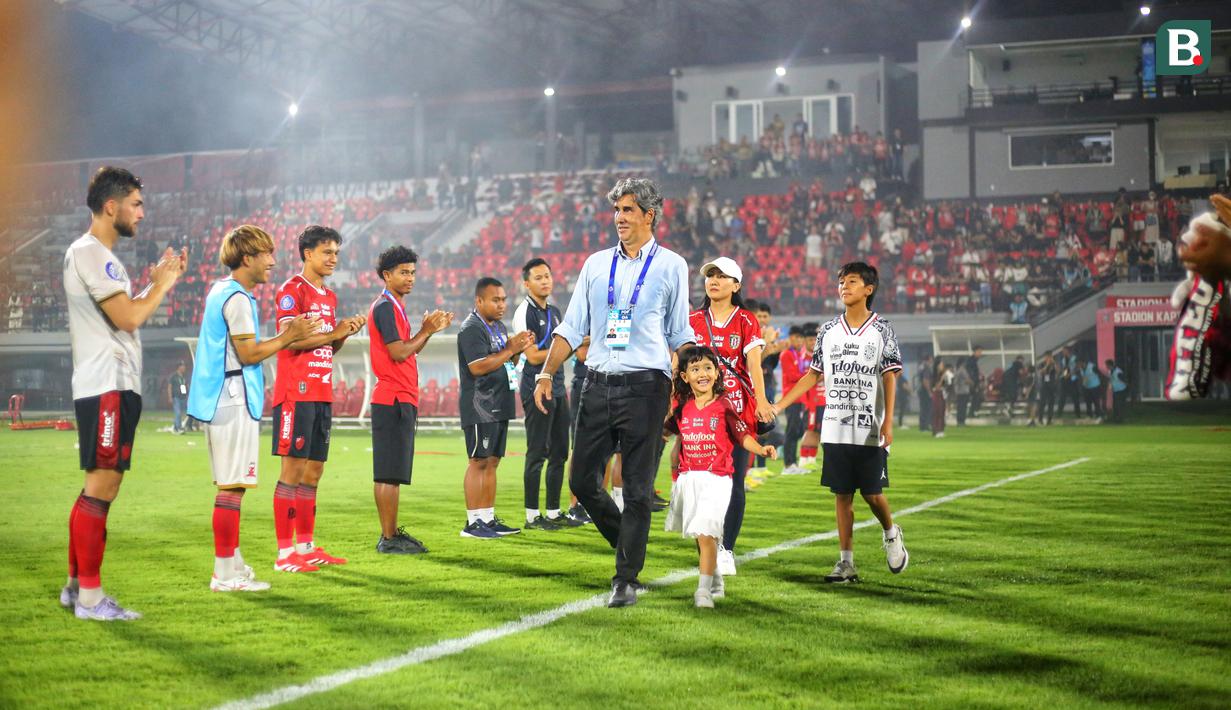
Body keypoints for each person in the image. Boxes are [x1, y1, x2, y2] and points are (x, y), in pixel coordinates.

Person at [533, 177, 694, 608]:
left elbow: (680, 332)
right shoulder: (595, 264)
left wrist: (695, 371)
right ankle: (628, 542)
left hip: (647, 388)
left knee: (639, 489)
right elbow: (571, 329)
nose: (619, 218)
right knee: (582, 480)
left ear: (649, 215)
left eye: (627, 210)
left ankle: (625, 577)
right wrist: (546, 373)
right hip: (597, 384)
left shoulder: (672, 265)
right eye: (616, 210)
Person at [61, 166, 186, 620]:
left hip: (112, 384)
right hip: (105, 385)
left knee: (97, 486)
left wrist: (153, 283)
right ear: (111, 206)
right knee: (102, 485)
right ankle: (91, 600)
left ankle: (77, 587)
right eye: (136, 204)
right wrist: (162, 284)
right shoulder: (90, 253)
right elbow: (128, 318)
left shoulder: (101, 256)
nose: (142, 213)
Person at [189, 225, 320, 591]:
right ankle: (224, 573)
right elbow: (247, 353)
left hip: (222, 397)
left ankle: (232, 561)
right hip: (231, 397)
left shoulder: (221, 290)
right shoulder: (238, 299)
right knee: (232, 488)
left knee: (232, 487)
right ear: (247, 258)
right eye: (266, 254)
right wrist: (289, 336)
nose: (273, 262)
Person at [772, 262, 907, 583]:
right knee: (842, 495)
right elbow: (812, 375)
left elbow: (890, 377)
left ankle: (891, 532)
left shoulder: (882, 329)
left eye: (852, 281)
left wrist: (888, 421)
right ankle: (846, 562)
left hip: (870, 426)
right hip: (835, 425)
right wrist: (779, 404)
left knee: (873, 494)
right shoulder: (829, 330)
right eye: (841, 282)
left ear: (868, 289)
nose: (844, 287)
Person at [271, 226, 366, 573]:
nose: (333, 259)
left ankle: (306, 547)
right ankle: (285, 555)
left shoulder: (328, 296)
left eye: (336, 253)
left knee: (314, 471)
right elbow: (287, 340)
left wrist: (342, 334)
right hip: (296, 393)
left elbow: (326, 345)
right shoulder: (292, 291)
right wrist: (335, 332)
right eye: (327, 252)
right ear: (307, 253)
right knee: (292, 471)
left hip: (322, 391)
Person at [664, 347, 776, 608]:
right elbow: (663, 433)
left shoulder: (724, 406)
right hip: (689, 479)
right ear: (684, 376)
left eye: (707, 368)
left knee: (706, 532)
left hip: (717, 478)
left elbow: (742, 435)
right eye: (695, 369)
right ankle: (715, 581)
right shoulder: (682, 409)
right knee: (701, 536)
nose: (702, 373)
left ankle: (702, 592)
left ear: (716, 373)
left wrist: (761, 448)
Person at [688, 257, 772, 577]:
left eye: (722, 276)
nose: (714, 280)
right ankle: (708, 545)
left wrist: (762, 400)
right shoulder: (693, 320)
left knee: (733, 483)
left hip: (737, 413)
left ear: (735, 286)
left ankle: (726, 549)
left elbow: (754, 365)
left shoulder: (746, 320)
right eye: (710, 275)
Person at [368, 246, 453, 554]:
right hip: (393, 398)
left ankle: (390, 535)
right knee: (389, 473)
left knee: (391, 472)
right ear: (386, 275)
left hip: (397, 397)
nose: (410, 278)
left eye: (413, 272)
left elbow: (408, 348)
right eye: (403, 272)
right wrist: (425, 330)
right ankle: (388, 538)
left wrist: (428, 332)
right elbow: (398, 352)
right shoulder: (385, 307)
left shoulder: (394, 306)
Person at [457, 277, 534, 539]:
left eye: (503, 299)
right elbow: (477, 367)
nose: (502, 304)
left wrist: (518, 350)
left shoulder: (498, 327)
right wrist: (510, 349)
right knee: (478, 461)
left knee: (492, 462)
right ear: (479, 301)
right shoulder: (471, 328)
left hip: (499, 402)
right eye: (495, 300)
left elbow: (504, 362)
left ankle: (488, 518)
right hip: (480, 405)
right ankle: (473, 522)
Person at [511, 258, 574, 530]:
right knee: (537, 452)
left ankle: (552, 512)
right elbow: (533, 356)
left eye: (547, 276)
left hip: (558, 386)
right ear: (527, 283)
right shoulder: (524, 312)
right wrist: (570, 348)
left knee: (560, 452)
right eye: (538, 277)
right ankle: (531, 516)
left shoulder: (555, 311)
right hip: (536, 386)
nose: (545, 281)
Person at [779, 326, 809, 475]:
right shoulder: (786, 355)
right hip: (791, 399)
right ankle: (788, 465)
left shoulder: (799, 355)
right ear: (790, 337)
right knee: (792, 431)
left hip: (801, 398)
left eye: (800, 338)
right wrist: (809, 375)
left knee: (799, 430)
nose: (798, 340)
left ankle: (793, 463)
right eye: (796, 337)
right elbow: (792, 376)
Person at [1106, 358, 1128, 423]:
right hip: (1115, 390)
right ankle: (1116, 418)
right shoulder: (1110, 371)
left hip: (1121, 390)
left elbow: (1125, 380)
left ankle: (1121, 419)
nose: (1106, 367)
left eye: (1107, 365)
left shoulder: (1118, 372)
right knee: (1115, 405)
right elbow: (1111, 380)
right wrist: (1110, 386)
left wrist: (1126, 389)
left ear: (1110, 365)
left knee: (1120, 405)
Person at [168, 362, 188, 434]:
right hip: (176, 397)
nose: (184, 368)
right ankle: (179, 428)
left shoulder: (183, 376)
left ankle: (176, 427)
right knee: (178, 413)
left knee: (180, 413)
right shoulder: (173, 376)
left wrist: (187, 395)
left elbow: (186, 386)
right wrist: (170, 397)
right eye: (183, 366)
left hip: (183, 397)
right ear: (179, 367)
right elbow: (169, 387)